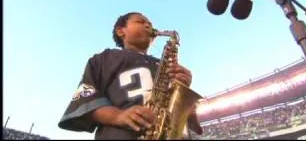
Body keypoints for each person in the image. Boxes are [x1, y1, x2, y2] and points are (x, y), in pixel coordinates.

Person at [58, 12, 203, 139]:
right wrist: (118, 116)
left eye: (150, 23)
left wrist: (182, 86)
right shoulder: (104, 58)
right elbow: (85, 98)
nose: (148, 25)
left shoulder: (164, 64)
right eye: (141, 22)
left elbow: (184, 112)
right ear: (121, 31)